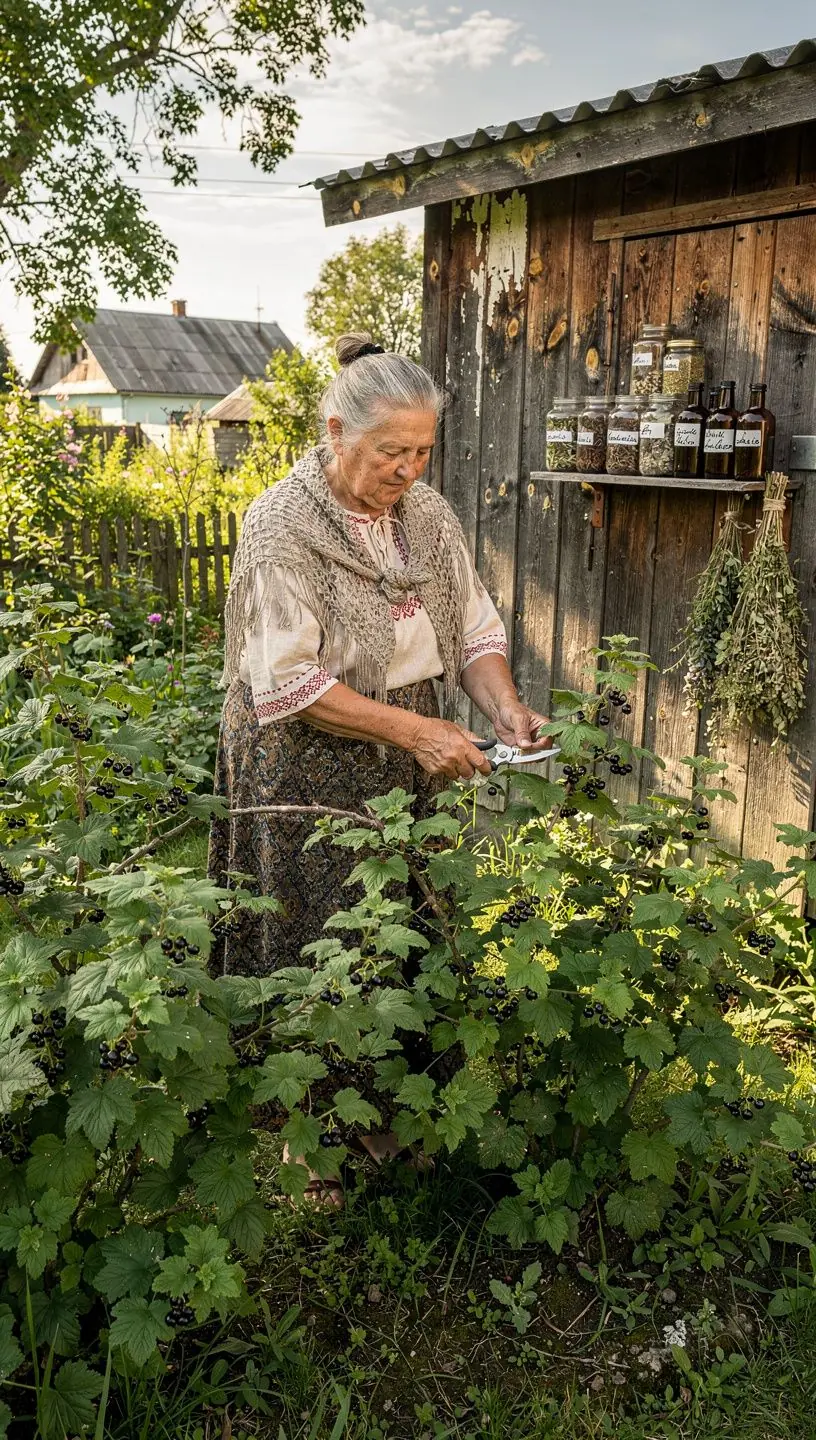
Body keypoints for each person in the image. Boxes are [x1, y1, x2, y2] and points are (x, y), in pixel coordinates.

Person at [209, 332, 549, 1202]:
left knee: (406, 917)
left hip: (406, 743)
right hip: (304, 751)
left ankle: (397, 1109)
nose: (407, 469)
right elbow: (287, 682)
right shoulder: (281, 527)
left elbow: (468, 628)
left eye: (422, 451)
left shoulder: (428, 517)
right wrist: (417, 734)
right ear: (335, 432)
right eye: (390, 451)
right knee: (316, 930)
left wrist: (501, 706)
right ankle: (309, 1135)